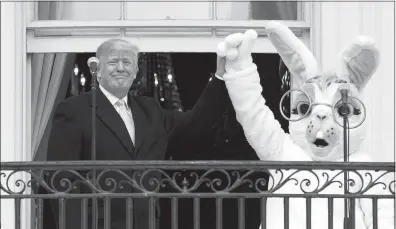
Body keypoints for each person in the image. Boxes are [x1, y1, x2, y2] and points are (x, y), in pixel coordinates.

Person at [44, 39, 231, 229]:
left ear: (135, 72)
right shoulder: (74, 110)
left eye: (127, 63)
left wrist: (221, 76)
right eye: (112, 62)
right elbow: (60, 178)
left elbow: (196, 123)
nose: (120, 68)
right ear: (98, 70)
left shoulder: (150, 110)